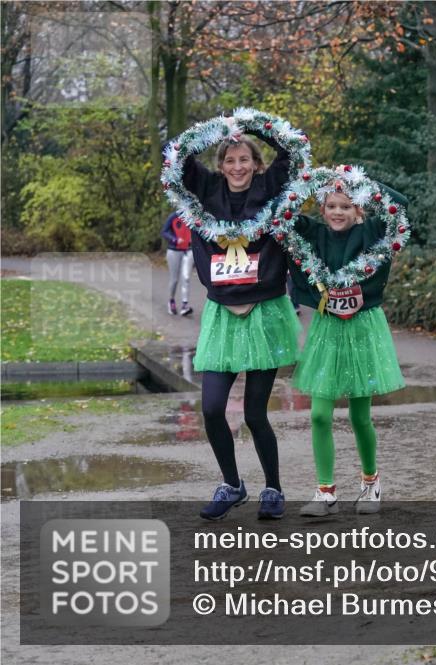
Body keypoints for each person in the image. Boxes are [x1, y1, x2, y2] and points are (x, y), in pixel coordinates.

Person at [181, 119, 301, 521]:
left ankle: (273, 488)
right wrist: (219, 129)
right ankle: (232, 484)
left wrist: (253, 124)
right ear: (220, 164)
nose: (237, 166)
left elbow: (293, 151)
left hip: (264, 311)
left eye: (245, 159)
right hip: (222, 313)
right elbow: (175, 156)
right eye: (230, 159)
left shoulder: (270, 188)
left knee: (254, 413)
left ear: (256, 163)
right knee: (212, 408)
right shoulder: (208, 189)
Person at [287, 172, 408, 517]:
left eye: (345, 206)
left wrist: (357, 177)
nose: (337, 212)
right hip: (327, 328)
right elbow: (283, 211)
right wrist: (318, 178)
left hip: (364, 329)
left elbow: (399, 205)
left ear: (358, 210)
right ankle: (325, 491)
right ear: (322, 209)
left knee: (359, 415)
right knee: (320, 415)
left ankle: (371, 482)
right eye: (330, 206)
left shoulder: (370, 233)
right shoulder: (316, 235)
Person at [160, 211, 194, 316]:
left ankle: (185, 305)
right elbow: (164, 232)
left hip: (189, 250)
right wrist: (174, 239)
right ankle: (171, 301)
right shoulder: (174, 217)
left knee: (186, 277)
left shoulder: (194, 217)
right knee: (174, 279)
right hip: (174, 251)